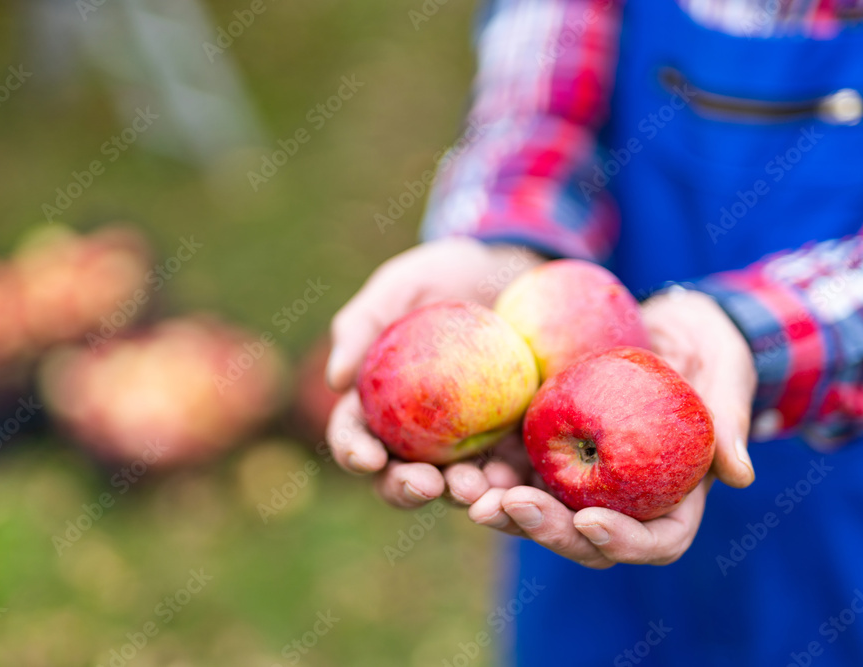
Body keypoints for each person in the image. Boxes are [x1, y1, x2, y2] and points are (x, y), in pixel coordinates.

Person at [325, 0, 863, 664]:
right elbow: (545, 68)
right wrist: (509, 236)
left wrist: (747, 329)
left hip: (834, 473)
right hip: (574, 460)